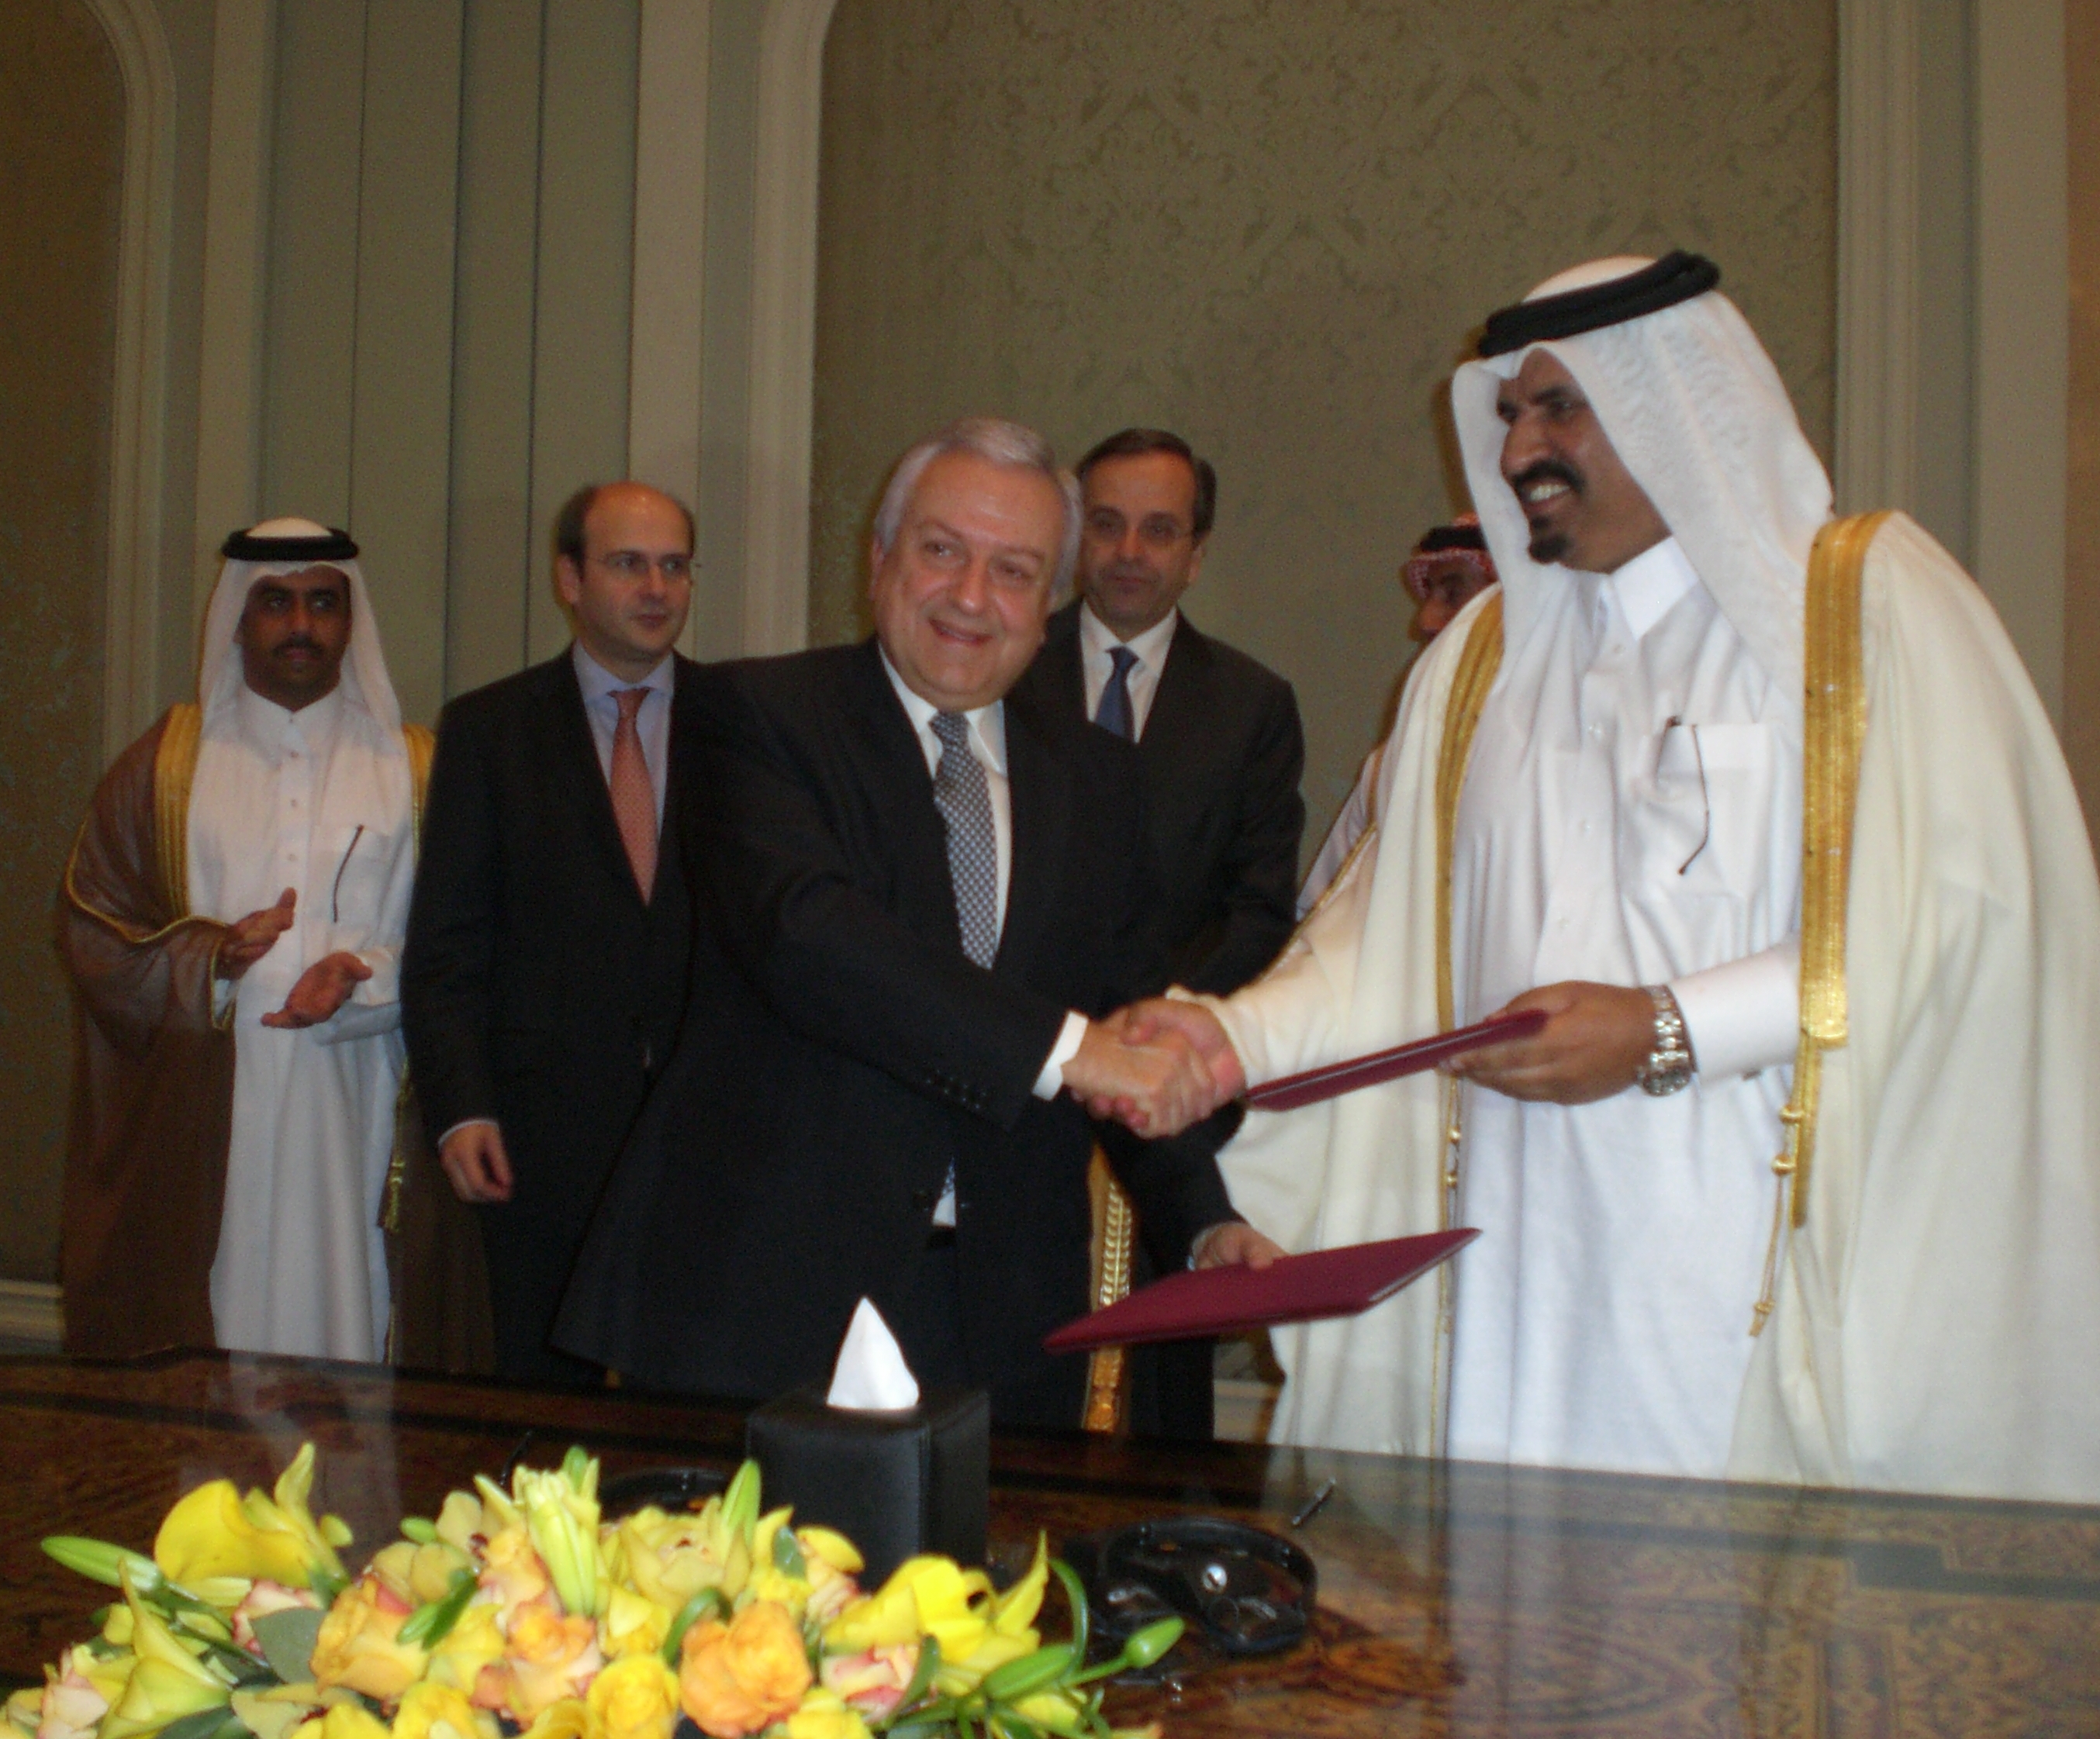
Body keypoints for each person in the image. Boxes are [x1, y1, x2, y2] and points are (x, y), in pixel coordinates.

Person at [1108, 253, 2100, 1503]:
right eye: (1510, 411)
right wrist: (1231, 1039)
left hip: (1743, 1283)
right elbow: (1376, 947)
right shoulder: (1478, 662)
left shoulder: (1860, 613)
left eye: (1559, 407)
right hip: (1515, 1278)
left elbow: (1960, 924)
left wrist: (1664, 1027)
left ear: (1672, 403)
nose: (1519, 444)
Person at [555, 418, 1276, 1427]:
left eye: (1014, 570)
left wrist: (1204, 1222)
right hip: (764, 1304)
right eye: (942, 549)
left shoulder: (1099, 779)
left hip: (1001, 1318)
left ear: (1049, 601)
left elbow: (1126, 1025)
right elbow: (811, 937)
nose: (971, 596)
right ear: (880, 557)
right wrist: (1069, 1049)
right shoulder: (755, 714)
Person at [60, 519, 427, 1361]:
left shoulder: (414, 771)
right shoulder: (166, 767)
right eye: (274, 602)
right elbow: (94, 930)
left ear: (351, 618)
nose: (300, 624)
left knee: (352, 1339)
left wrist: (367, 975)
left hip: (360, 1112)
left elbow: (469, 948)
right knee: (212, 1356)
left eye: (322, 603)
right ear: (236, 615)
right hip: (209, 1119)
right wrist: (208, 959)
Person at [1014, 426, 1304, 1437]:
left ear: (1197, 551)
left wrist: (1148, 1025)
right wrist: (1066, 1032)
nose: (1129, 551)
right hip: (1021, 1078)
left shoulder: (1252, 704)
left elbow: (1259, 905)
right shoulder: (1003, 667)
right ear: (1073, 539)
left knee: (1163, 1394)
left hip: (1174, 1084)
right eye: (1106, 525)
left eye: (1159, 529)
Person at [403, 481, 702, 1386]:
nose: (656, 587)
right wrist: (462, 1105)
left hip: (704, 1130)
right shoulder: (488, 729)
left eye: (674, 565)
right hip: (541, 1136)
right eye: (627, 563)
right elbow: (448, 944)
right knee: (547, 1398)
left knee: (691, 1403)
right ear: (569, 579)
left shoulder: (742, 722)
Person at [1298, 516, 1500, 913]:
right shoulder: (1390, 765)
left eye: (1454, 594)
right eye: (1429, 596)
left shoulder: (1572, 755)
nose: (1425, 621)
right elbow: (1320, 915)